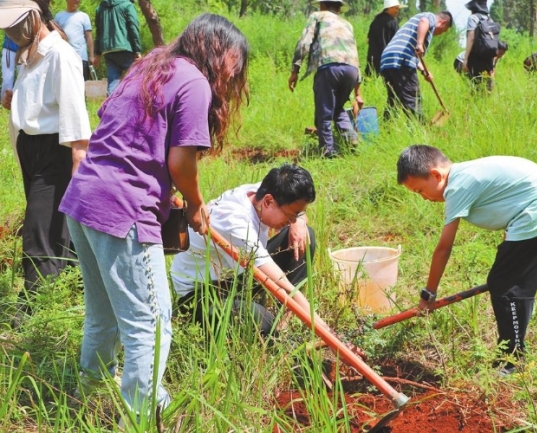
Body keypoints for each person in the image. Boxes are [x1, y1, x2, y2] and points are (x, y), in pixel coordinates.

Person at [58, 14, 249, 421]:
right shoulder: (196, 81)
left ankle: (87, 400)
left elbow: (125, 133)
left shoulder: (150, 66)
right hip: (122, 210)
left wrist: (168, 191)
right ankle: (145, 417)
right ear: (216, 48)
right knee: (153, 322)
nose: (235, 71)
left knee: (103, 314)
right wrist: (196, 203)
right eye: (235, 58)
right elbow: (181, 161)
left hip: (84, 199)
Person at [396, 145, 537, 376]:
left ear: (435, 175)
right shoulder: (463, 175)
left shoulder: (458, 185)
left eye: (420, 190)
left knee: (507, 288)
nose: (424, 198)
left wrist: (429, 295)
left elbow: (444, 248)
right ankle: (511, 354)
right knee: (508, 282)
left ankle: (512, 361)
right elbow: (507, 197)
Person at [0, 0, 91, 319]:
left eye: (15, 22)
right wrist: (16, 102)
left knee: (37, 231)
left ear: (35, 16)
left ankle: (34, 309)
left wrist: (79, 167)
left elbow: (74, 115)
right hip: (33, 152)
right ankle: (67, 296)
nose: (10, 30)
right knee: (55, 229)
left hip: (55, 153)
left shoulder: (60, 54)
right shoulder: (29, 55)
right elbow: (42, 105)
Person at [171, 164, 324, 339]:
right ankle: (275, 332)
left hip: (234, 273)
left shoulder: (261, 192)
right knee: (263, 321)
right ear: (268, 201)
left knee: (305, 236)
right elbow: (283, 285)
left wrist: (299, 220)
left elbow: (295, 208)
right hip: (201, 293)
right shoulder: (234, 221)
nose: (291, 221)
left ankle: (283, 324)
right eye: (290, 215)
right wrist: (324, 329)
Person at [289, 0, 363, 159]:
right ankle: (352, 140)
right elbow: (355, 54)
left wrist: (295, 69)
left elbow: (304, 43)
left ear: (323, 4)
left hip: (329, 67)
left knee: (324, 113)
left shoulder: (317, 16)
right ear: (339, 7)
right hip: (351, 70)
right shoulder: (347, 24)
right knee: (338, 108)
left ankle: (328, 152)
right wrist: (358, 90)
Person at [379, 11, 453, 121]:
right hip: (401, 59)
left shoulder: (414, 26)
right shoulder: (430, 17)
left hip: (388, 59)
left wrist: (424, 71)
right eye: (443, 30)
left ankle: (386, 130)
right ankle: (419, 130)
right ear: (443, 23)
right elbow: (424, 21)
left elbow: (415, 56)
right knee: (413, 97)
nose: (439, 34)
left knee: (394, 100)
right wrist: (419, 43)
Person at [93, 0, 141, 95]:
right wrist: (137, 50)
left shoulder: (100, 8)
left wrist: (98, 54)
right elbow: (133, 28)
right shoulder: (127, 5)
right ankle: (132, 107)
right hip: (126, 49)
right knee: (133, 82)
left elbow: (99, 32)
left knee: (113, 84)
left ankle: (111, 108)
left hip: (108, 51)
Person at [365, 0, 406, 77]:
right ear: (389, 8)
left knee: (370, 80)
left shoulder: (375, 21)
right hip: (388, 61)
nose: (397, 11)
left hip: (373, 59)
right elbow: (398, 42)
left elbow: (368, 40)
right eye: (396, 8)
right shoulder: (393, 22)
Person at [54, 0, 94, 81]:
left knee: (82, 84)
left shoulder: (83, 16)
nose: (77, 1)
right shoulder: (58, 16)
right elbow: (55, 37)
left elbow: (89, 37)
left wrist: (91, 55)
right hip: (64, 57)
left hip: (81, 57)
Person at [2, 34, 19, 99]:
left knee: (23, 79)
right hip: (9, 47)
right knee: (7, 80)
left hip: (24, 47)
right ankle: (4, 105)